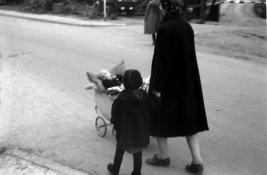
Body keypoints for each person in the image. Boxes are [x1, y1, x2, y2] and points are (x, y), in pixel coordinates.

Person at [145, 0, 209, 174]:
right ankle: (197, 162)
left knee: (158, 115)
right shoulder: (186, 26)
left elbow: (163, 62)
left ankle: (163, 156)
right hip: (187, 83)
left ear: (164, 8)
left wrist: (156, 87)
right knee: (189, 122)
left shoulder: (165, 29)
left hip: (169, 84)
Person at [107, 69, 161, 175]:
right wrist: (158, 98)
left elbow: (115, 113)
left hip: (124, 133)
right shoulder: (144, 96)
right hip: (140, 133)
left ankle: (115, 170)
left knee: (119, 151)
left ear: (125, 84)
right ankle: (136, 172)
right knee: (137, 154)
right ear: (140, 82)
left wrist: (114, 123)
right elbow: (154, 108)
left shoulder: (120, 98)